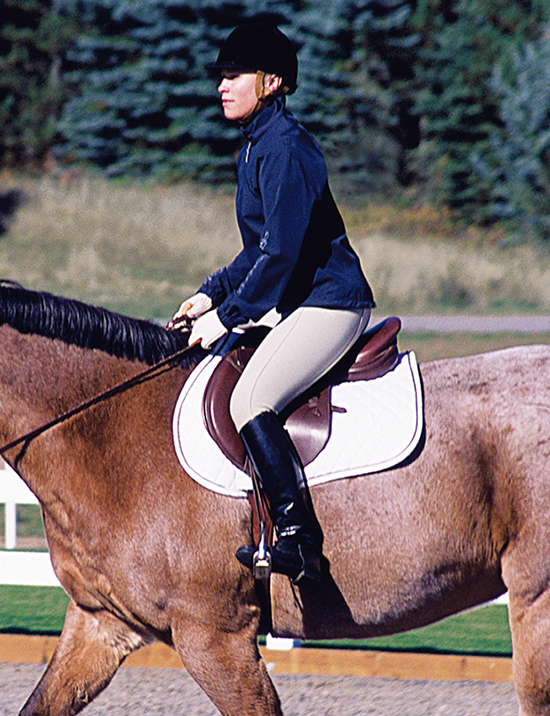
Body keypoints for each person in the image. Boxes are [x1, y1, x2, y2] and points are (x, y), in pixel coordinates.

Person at [173, 24, 375, 587]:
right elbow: (257, 250)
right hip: (303, 305)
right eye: (220, 75)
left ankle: (297, 538)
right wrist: (210, 291)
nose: (222, 85)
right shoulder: (258, 147)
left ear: (273, 81)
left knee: (251, 400)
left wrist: (227, 317)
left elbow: (282, 256)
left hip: (332, 304)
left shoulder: (286, 147)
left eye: (234, 75)